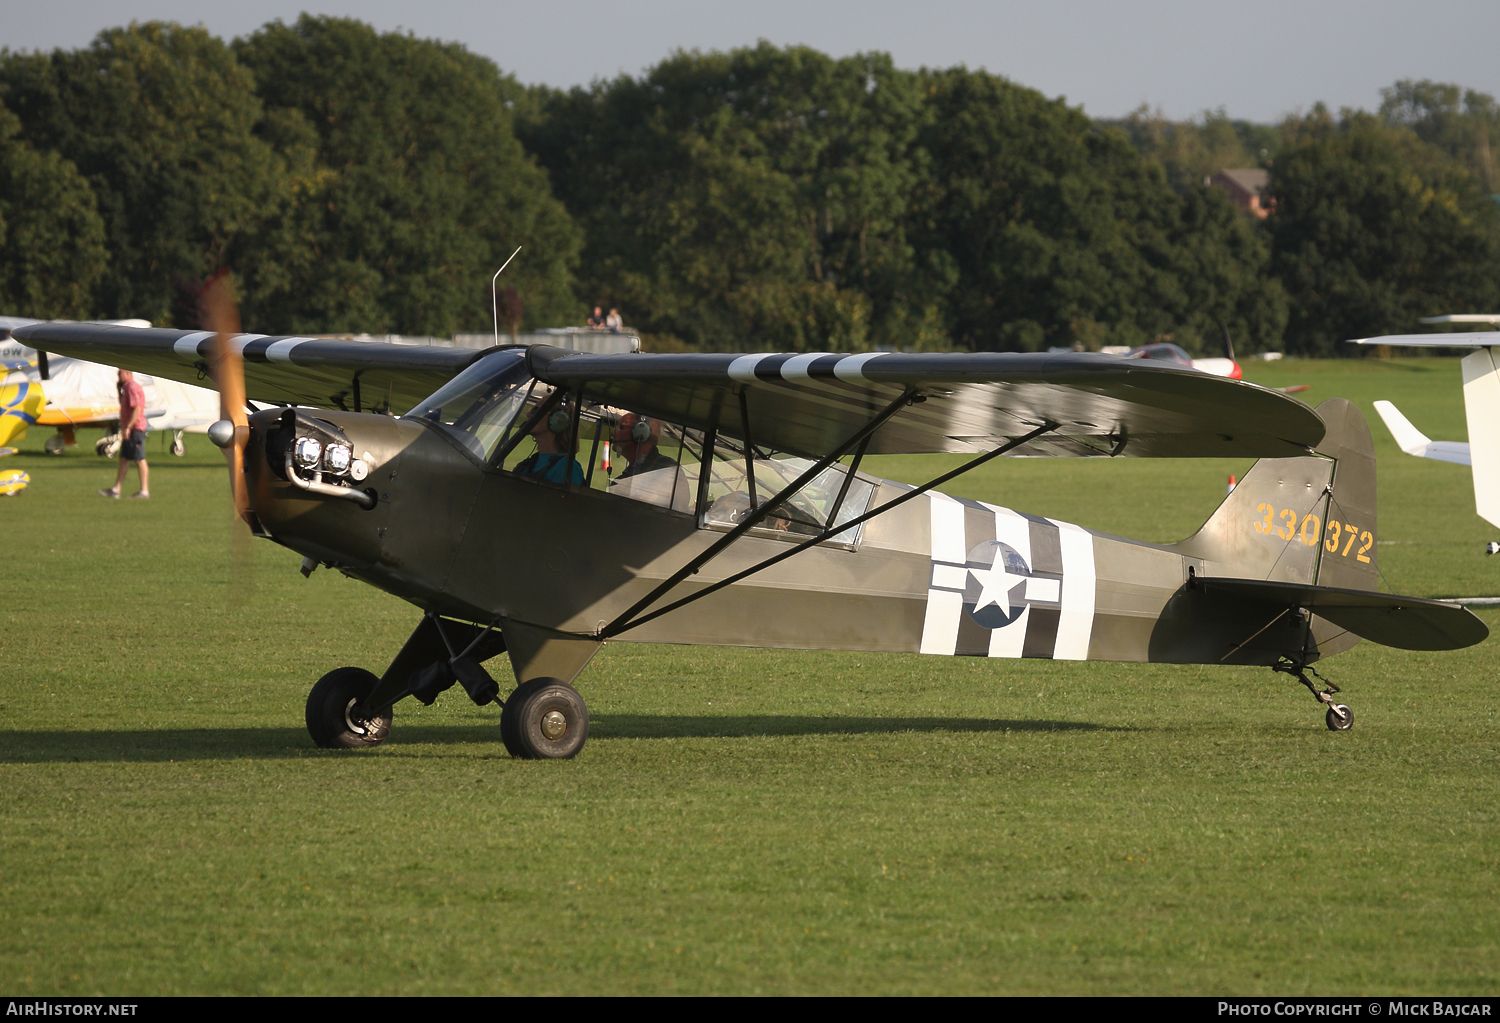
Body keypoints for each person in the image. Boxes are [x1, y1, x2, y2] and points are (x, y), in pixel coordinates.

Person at [99, 369, 149, 499]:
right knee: (124, 458)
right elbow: (124, 404)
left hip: (135, 428)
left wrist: (128, 427)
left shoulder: (132, 387)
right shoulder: (126, 388)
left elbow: (137, 408)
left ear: (127, 373)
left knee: (139, 459)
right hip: (131, 428)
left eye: (120, 373)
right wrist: (118, 389)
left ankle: (144, 490)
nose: (118, 375)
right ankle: (116, 489)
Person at [513, 404, 585, 485]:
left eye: (536, 410)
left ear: (557, 420)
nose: (528, 414)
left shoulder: (566, 467)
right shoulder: (526, 464)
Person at [611, 413, 677, 479]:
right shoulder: (620, 481)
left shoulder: (667, 469)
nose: (613, 433)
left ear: (641, 432)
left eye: (621, 427)